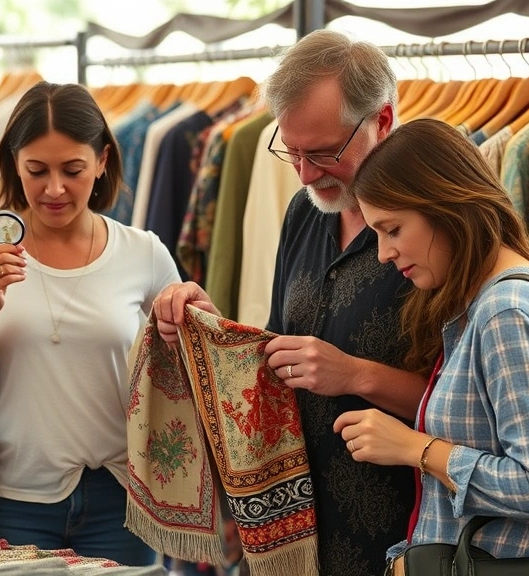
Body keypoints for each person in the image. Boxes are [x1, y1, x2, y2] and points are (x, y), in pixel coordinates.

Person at [154, 30, 423, 575]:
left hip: (401, 539)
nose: (305, 174)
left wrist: (356, 375)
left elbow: (471, 407)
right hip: (294, 534)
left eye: (323, 154)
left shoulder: (432, 226)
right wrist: (214, 329)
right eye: (292, 153)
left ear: (384, 120)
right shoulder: (306, 211)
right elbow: (282, 352)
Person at [0, 81, 180, 565]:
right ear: (13, 162)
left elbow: (188, 366)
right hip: (9, 501)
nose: (54, 189)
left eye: (72, 170)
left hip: (124, 501)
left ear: (103, 160)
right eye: (36, 170)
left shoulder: (143, 253)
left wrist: (195, 311)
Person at [335, 118, 529, 562]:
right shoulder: (484, 301)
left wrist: (414, 448)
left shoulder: (506, 311)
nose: (383, 253)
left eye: (393, 229)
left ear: (444, 206)